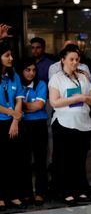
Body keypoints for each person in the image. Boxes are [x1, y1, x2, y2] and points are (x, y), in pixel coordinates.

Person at [48, 45, 91, 205]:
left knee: (79, 159)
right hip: (64, 124)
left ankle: (80, 188)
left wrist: (85, 98)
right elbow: (54, 102)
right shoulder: (56, 78)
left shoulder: (83, 77)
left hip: (83, 123)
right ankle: (65, 190)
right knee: (64, 159)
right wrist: (77, 98)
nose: (75, 62)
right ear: (63, 60)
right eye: (71, 59)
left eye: (77, 59)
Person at [17, 57, 49, 205]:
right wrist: (28, 105)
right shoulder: (17, 84)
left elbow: (39, 106)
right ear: (21, 71)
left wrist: (20, 105)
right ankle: (26, 193)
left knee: (40, 159)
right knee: (24, 160)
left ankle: (40, 192)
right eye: (27, 70)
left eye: (34, 70)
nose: (31, 73)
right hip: (23, 125)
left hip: (39, 125)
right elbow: (31, 105)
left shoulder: (41, 84)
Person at [0, 41, 26, 210]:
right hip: (1, 121)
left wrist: (15, 120)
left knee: (13, 160)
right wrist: (12, 114)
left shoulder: (14, 75)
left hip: (13, 124)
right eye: (6, 55)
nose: (11, 58)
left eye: (11, 55)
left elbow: (19, 99)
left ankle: (13, 194)